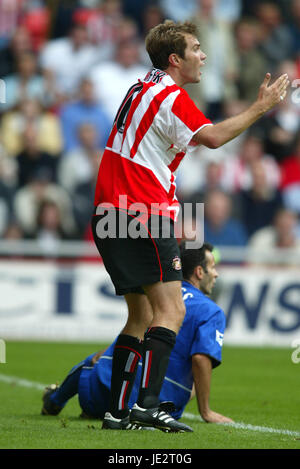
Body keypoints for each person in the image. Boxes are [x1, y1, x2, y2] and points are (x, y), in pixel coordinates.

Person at [90, 19, 289, 432]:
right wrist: (262, 107)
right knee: (173, 308)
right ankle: (147, 406)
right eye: (196, 48)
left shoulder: (140, 87)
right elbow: (213, 137)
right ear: (175, 59)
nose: (204, 55)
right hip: (143, 209)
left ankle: (116, 411)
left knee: (141, 315)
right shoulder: (171, 94)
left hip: (109, 213)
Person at [41, 243, 233, 425]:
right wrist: (205, 410)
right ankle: (144, 407)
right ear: (199, 272)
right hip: (162, 406)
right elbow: (200, 359)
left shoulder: (152, 296)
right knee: (185, 378)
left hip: (103, 395)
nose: (216, 274)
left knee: (98, 358)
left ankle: (55, 400)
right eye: (213, 267)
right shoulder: (211, 311)